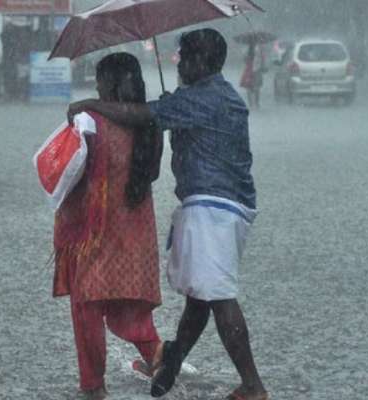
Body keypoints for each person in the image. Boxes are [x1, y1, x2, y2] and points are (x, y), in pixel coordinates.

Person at [68, 29, 268, 400]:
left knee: (219, 297)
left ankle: (253, 385)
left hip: (213, 206)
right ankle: (168, 365)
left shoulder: (204, 98)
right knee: (199, 298)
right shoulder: (216, 96)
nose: (178, 64)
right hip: (223, 206)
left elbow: (142, 114)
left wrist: (89, 105)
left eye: (183, 58)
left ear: (200, 62)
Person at [54, 52, 164, 400]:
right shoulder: (150, 123)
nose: (96, 86)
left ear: (111, 83)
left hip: (97, 231)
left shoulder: (91, 122)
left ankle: (93, 384)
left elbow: (68, 172)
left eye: (100, 80)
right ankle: (158, 358)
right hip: (136, 230)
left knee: (87, 305)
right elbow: (154, 173)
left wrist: (85, 105)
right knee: (129, 303)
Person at [240, 42, 266, 110]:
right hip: (255, 70)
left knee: (250, 87)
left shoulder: (248, 49)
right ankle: (255, 103)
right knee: (255, 87)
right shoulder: (259, 49)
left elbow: (244, 60)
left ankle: (252, 103)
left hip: (250, 70)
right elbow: (263, 59)